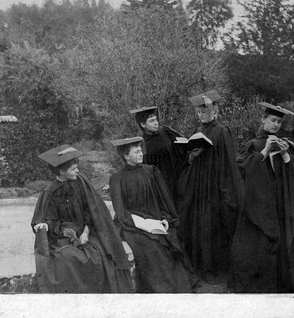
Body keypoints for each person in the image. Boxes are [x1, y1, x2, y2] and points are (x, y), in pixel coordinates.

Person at [31, 144, 134, 293]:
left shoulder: (81, 183)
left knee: (98, 254)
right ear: (61, 171)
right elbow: (48, 221)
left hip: (88, 230)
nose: (78, 171)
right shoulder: (50, 193)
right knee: (67, 258)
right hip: (63, 236)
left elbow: (91, 211)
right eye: (73, 169)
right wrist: (46, 225)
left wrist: (85, 233)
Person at [231, 102, 294, 293]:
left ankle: (285, 282)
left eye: (279, 122)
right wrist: (265, 151)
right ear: (263, 120)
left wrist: (285, 155)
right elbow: (242, 171)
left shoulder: (287, 145)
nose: (275, 125)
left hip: (281, 203)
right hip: (259, 205)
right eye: (272, 120)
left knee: (286, 241)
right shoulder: (253, 145)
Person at [109, 137, 194, 293]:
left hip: (156, 221)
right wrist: (141, 224)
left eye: (141, 150)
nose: (141, 153)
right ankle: (160, 289)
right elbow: (120, 211)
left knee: (170, 240)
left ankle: (177, 288)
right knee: (150, 248)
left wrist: (165, 218)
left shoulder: (151, 171)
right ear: (126, 156)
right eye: (136, 151)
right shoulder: (117, 178)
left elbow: (163, 200)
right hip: (131, 225)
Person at [176, 90, 242, 283]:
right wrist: (191, 156)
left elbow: (229, 162)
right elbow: (189, 161)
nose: (202, 114)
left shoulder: (223, 131)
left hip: (215, 187)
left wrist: (225, 190)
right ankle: (201, 265)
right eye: (199, 112)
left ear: (215, 111)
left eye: (205, 111)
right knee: (198, 224)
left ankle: (215, 268)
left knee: (213, 227)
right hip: (198, 187)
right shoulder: (197, 132)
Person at [129, 106, 186, 200]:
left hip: (178, 178)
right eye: (151, 121)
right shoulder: (142, 144)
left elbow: (182, 147)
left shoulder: (165, 131)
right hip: (161, 186)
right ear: (143, 124)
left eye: (156, 120)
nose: (156, 123)